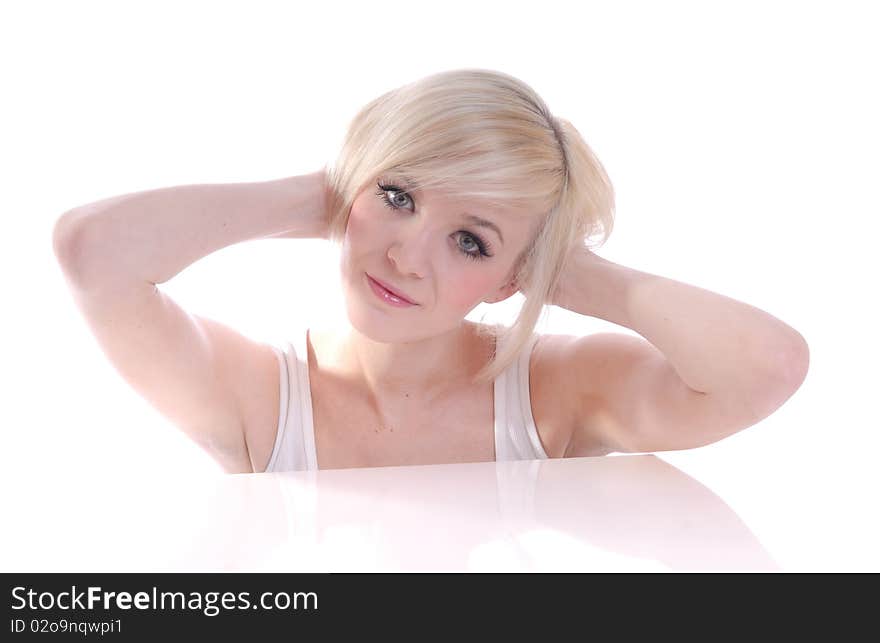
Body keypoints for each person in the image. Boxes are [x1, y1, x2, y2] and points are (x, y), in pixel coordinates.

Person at [52, 68, 810, 475]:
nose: (406, 256)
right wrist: (331, 191)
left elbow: (767, 366)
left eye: (471, 242)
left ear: (514, 275)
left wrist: (560, 268)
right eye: (398, 195)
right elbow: (93, 249)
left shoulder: (555, 393)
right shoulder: (259, 396)